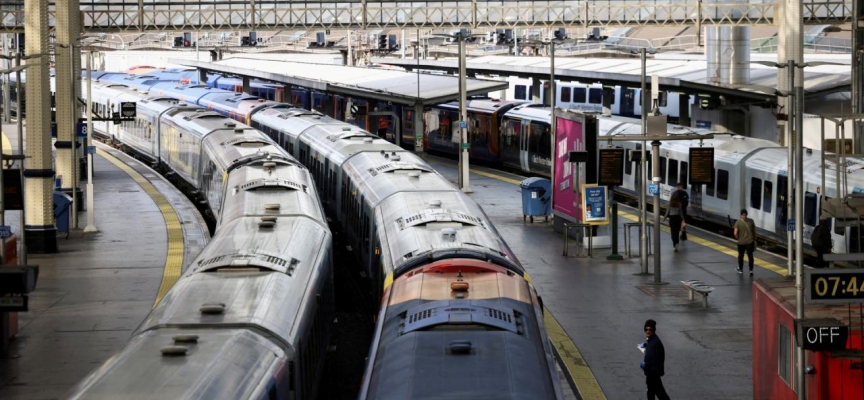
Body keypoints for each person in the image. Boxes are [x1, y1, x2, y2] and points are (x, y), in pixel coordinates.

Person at [640, 319, 670, 400]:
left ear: (654, 330)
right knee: (651, 393)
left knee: (661, 394)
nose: (648, 331)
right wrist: (646, 345)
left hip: (653, 374)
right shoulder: (651, 340)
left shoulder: (655, 343)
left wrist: (646, 364)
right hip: (651, 373)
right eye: (646, 329)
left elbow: (656, 360)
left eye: (650, 329)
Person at [733, 208, 756, 275]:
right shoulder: (751, 221)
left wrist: (738, 238)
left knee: (741, 256)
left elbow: (735, 233)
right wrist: (754, 239)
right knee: (750, 256)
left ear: (740, 215)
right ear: (746, 214)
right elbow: (754, 232)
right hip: (749, 242)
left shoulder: (738, 222)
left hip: (741, 242)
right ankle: (751, 270)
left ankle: (741, 269)